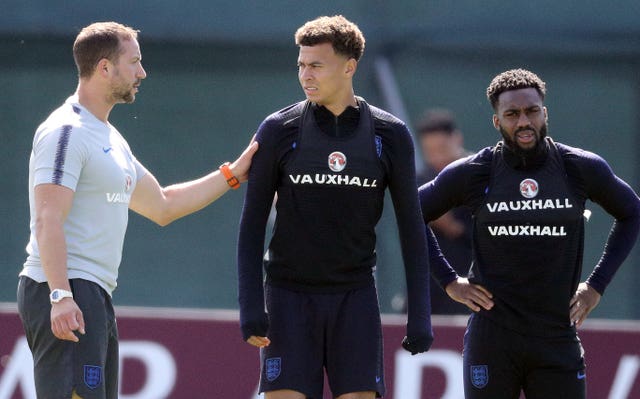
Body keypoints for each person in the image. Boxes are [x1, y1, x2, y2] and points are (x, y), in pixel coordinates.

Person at [17, 22, 258, 399]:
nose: (142, 72)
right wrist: (60, 295)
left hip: (93, 293)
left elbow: (163, 205)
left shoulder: (110, 138)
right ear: (104, 68)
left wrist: (232, 174)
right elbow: (47, 220)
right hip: (66, 289)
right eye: (134, 62)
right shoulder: (66, 130)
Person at [237, 15, 432, 399]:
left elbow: (412, 226)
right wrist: (251, 306)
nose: (305, 75)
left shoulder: (389, 134)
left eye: (316, 65)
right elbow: (252, 224)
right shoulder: (279, 129)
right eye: (301, 65)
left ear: (349, 66)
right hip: (288, 297)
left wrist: (420, 315)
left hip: (355, 297)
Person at [419, 68, 640, 398]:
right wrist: (449, 281)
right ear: (497, 122)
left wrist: (596, 285)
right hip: (492, 339)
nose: (524, 121)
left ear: (544, 113)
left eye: (531, 111)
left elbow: (632, 212)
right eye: (512, 114)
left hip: (556, 337)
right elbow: (413, 212)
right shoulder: (477, 172)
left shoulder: (577, 167)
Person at [415, 109, 473, 314]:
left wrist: (452, 226)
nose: (436, 157)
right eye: (429, 151)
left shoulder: (479, 173)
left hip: (474, 284)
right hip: (432, 285)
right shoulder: (422, 180)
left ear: (456, 139)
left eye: (441, 148)